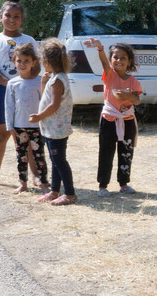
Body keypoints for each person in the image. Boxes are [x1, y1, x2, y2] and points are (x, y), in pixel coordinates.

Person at [0, 0, 40, 188]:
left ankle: (35, 177)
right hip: (1, 90)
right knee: (0, 134)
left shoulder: (29, 40)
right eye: (8, 16)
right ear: (1, 17)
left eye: (16, 17)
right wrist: (9, 83)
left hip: (27, 92)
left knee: (26, 135)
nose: (12, 20)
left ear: (21, 19)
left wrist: (28, 82)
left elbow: (37, 66)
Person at [83, 38, 142, 197]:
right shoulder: (109, 75)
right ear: (111, 60)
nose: (119, 60)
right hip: (109, 119)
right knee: (106, 152)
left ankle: (124, 183)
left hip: (127, 120)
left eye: (123, 57)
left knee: (126, 152)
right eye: (115, 57)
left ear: (129, 61)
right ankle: (103, 185)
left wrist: (129, 95)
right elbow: (103, 62)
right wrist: (100, 49)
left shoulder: (134, 82)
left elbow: (137, 100)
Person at [30, 38, 77, 206]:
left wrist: (39, 116)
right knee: (55, 160)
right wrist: (43, 81)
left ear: (47, 61)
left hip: (56, 129)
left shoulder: (58, 81)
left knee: (59, 161)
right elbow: (46, 98)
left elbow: (54, 105)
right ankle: (54, 191)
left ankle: (70, 194)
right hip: (52, 129)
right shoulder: (55, 78)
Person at [4, 43, 49, 195]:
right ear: (14, 62)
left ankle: (43, 183)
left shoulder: (39, 82)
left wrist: (44, 122)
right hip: (18, 127)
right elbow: (9, 106)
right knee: (21, 157)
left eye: (26, 61)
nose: (23, 64)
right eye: (19, 61)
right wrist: (10, 127)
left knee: (39, 156)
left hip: (37, 127)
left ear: (34, 62)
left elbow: (44, 103)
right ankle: (23, 183)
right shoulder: (12, 83)